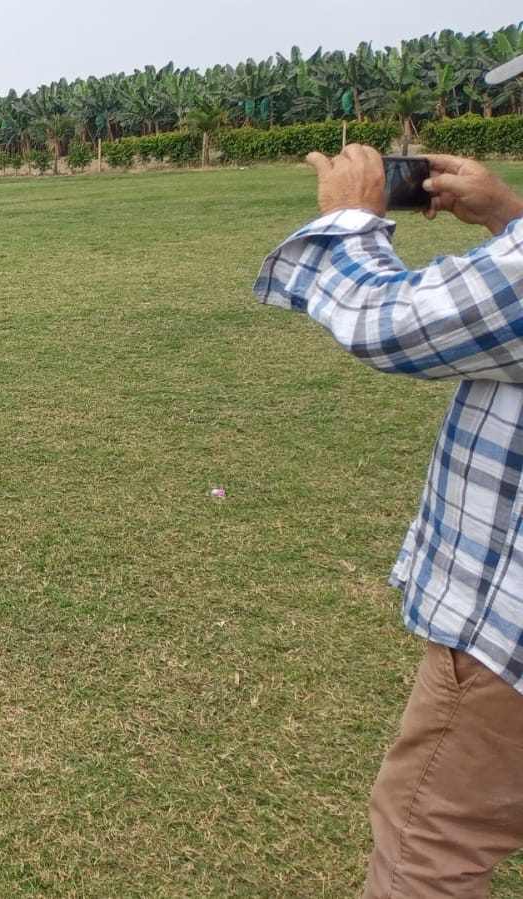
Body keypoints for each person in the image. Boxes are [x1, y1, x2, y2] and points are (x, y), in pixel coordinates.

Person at [254, 138, 523, 896]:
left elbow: (389, 321)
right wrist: (510, 216)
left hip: (507, 641)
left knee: (429, 843)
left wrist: (349, 217)